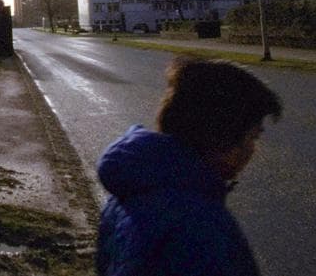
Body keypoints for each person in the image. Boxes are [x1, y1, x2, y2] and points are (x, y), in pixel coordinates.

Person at [96, 57, 282, 276]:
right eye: (253, 137)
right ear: (221, 138)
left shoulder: (131, 191)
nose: (252, 150)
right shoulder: (204, 229)